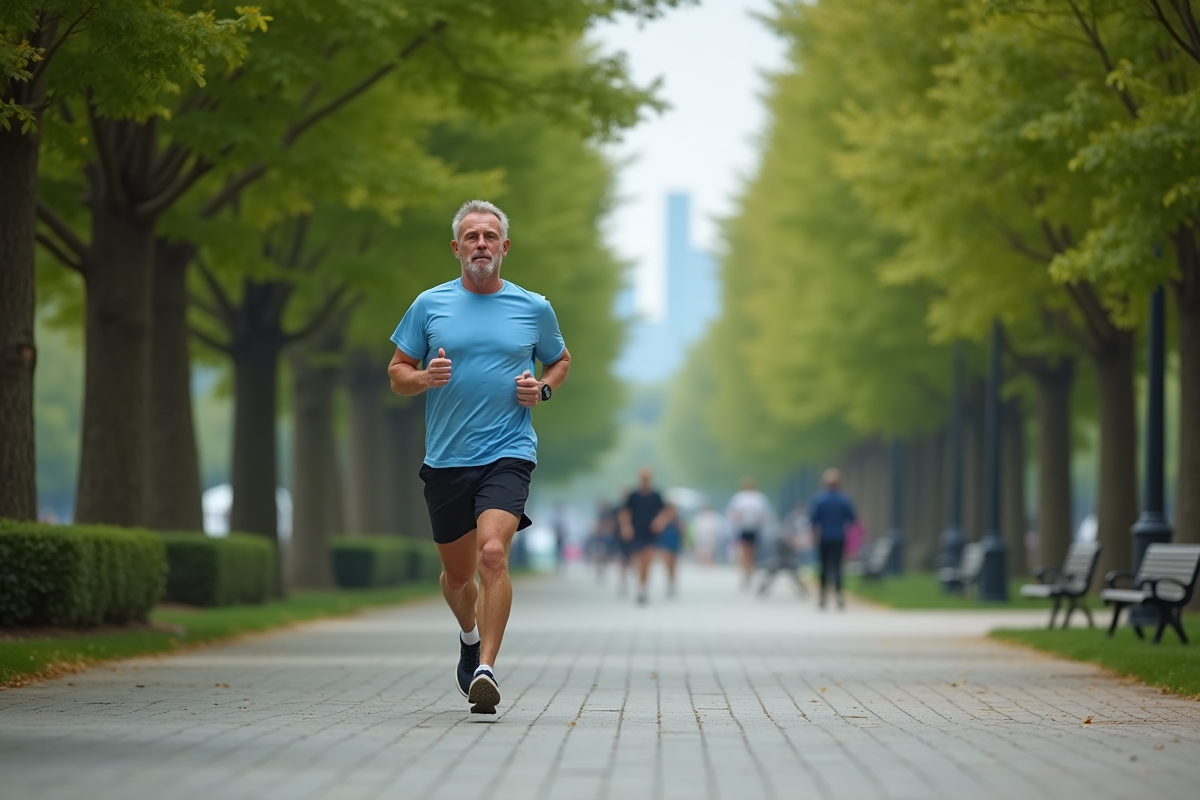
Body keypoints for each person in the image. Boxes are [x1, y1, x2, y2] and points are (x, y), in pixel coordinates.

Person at [387, 199, 570, 715]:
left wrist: (544, 390)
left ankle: (486, 668)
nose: (482, 244)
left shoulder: (533, 307)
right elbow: (397, 371)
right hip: (446, 459)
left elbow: (559, 360)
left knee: (493, 555)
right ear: (456, 248)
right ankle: (469, 638)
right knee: (458, 577)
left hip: (508, 451)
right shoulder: (429, 305)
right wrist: (424, 378)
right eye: (472, 237)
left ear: (505, 247)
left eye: (491, 236)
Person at [618, 467, 671, 605]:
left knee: (648, 559)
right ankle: (640, 585)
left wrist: (660, 521)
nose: (645, 479)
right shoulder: (633, 495)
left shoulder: (656, 495)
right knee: (637, 561)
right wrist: (626, 527)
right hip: (636, 531)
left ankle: (643, 588)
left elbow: (666, 511)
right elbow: (624, 512)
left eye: (647, 477)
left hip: (650, 532)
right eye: (643, 476)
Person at [809, 468, 857, 610]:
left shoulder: (819, 499)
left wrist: (813, 535)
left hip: (824, 537)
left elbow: (813, 520)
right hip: (839, 536)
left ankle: (823, 596)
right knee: (837, 567)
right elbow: (852, 519)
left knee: (823, 567)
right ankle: (839, 595)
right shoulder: (844, 499)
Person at [725, 477, 772, 589]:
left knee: (748, 552)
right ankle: (747, 573)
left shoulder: (750, 498)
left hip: (751, 528)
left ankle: (748, 572)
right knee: (748, 552)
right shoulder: (747, 498)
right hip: (745, 528)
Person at [655, 501, 683, 597]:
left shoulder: (677, 519)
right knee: (667, 563)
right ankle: (669, 583)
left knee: (674, 565)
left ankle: (672, 583)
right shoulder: (663, 517)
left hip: (675, 543)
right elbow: (658, 528)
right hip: (665, 543)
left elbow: (681, 531)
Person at [690, 502, 722, 566]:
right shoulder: (699, 516)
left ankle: (708, 565)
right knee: (701, 552)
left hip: (711, 538)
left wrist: (715, 536)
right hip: (701, 537)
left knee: (709, 552)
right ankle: (701, 565)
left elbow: (718, 528)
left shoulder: (714, 516)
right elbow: (694, 528)